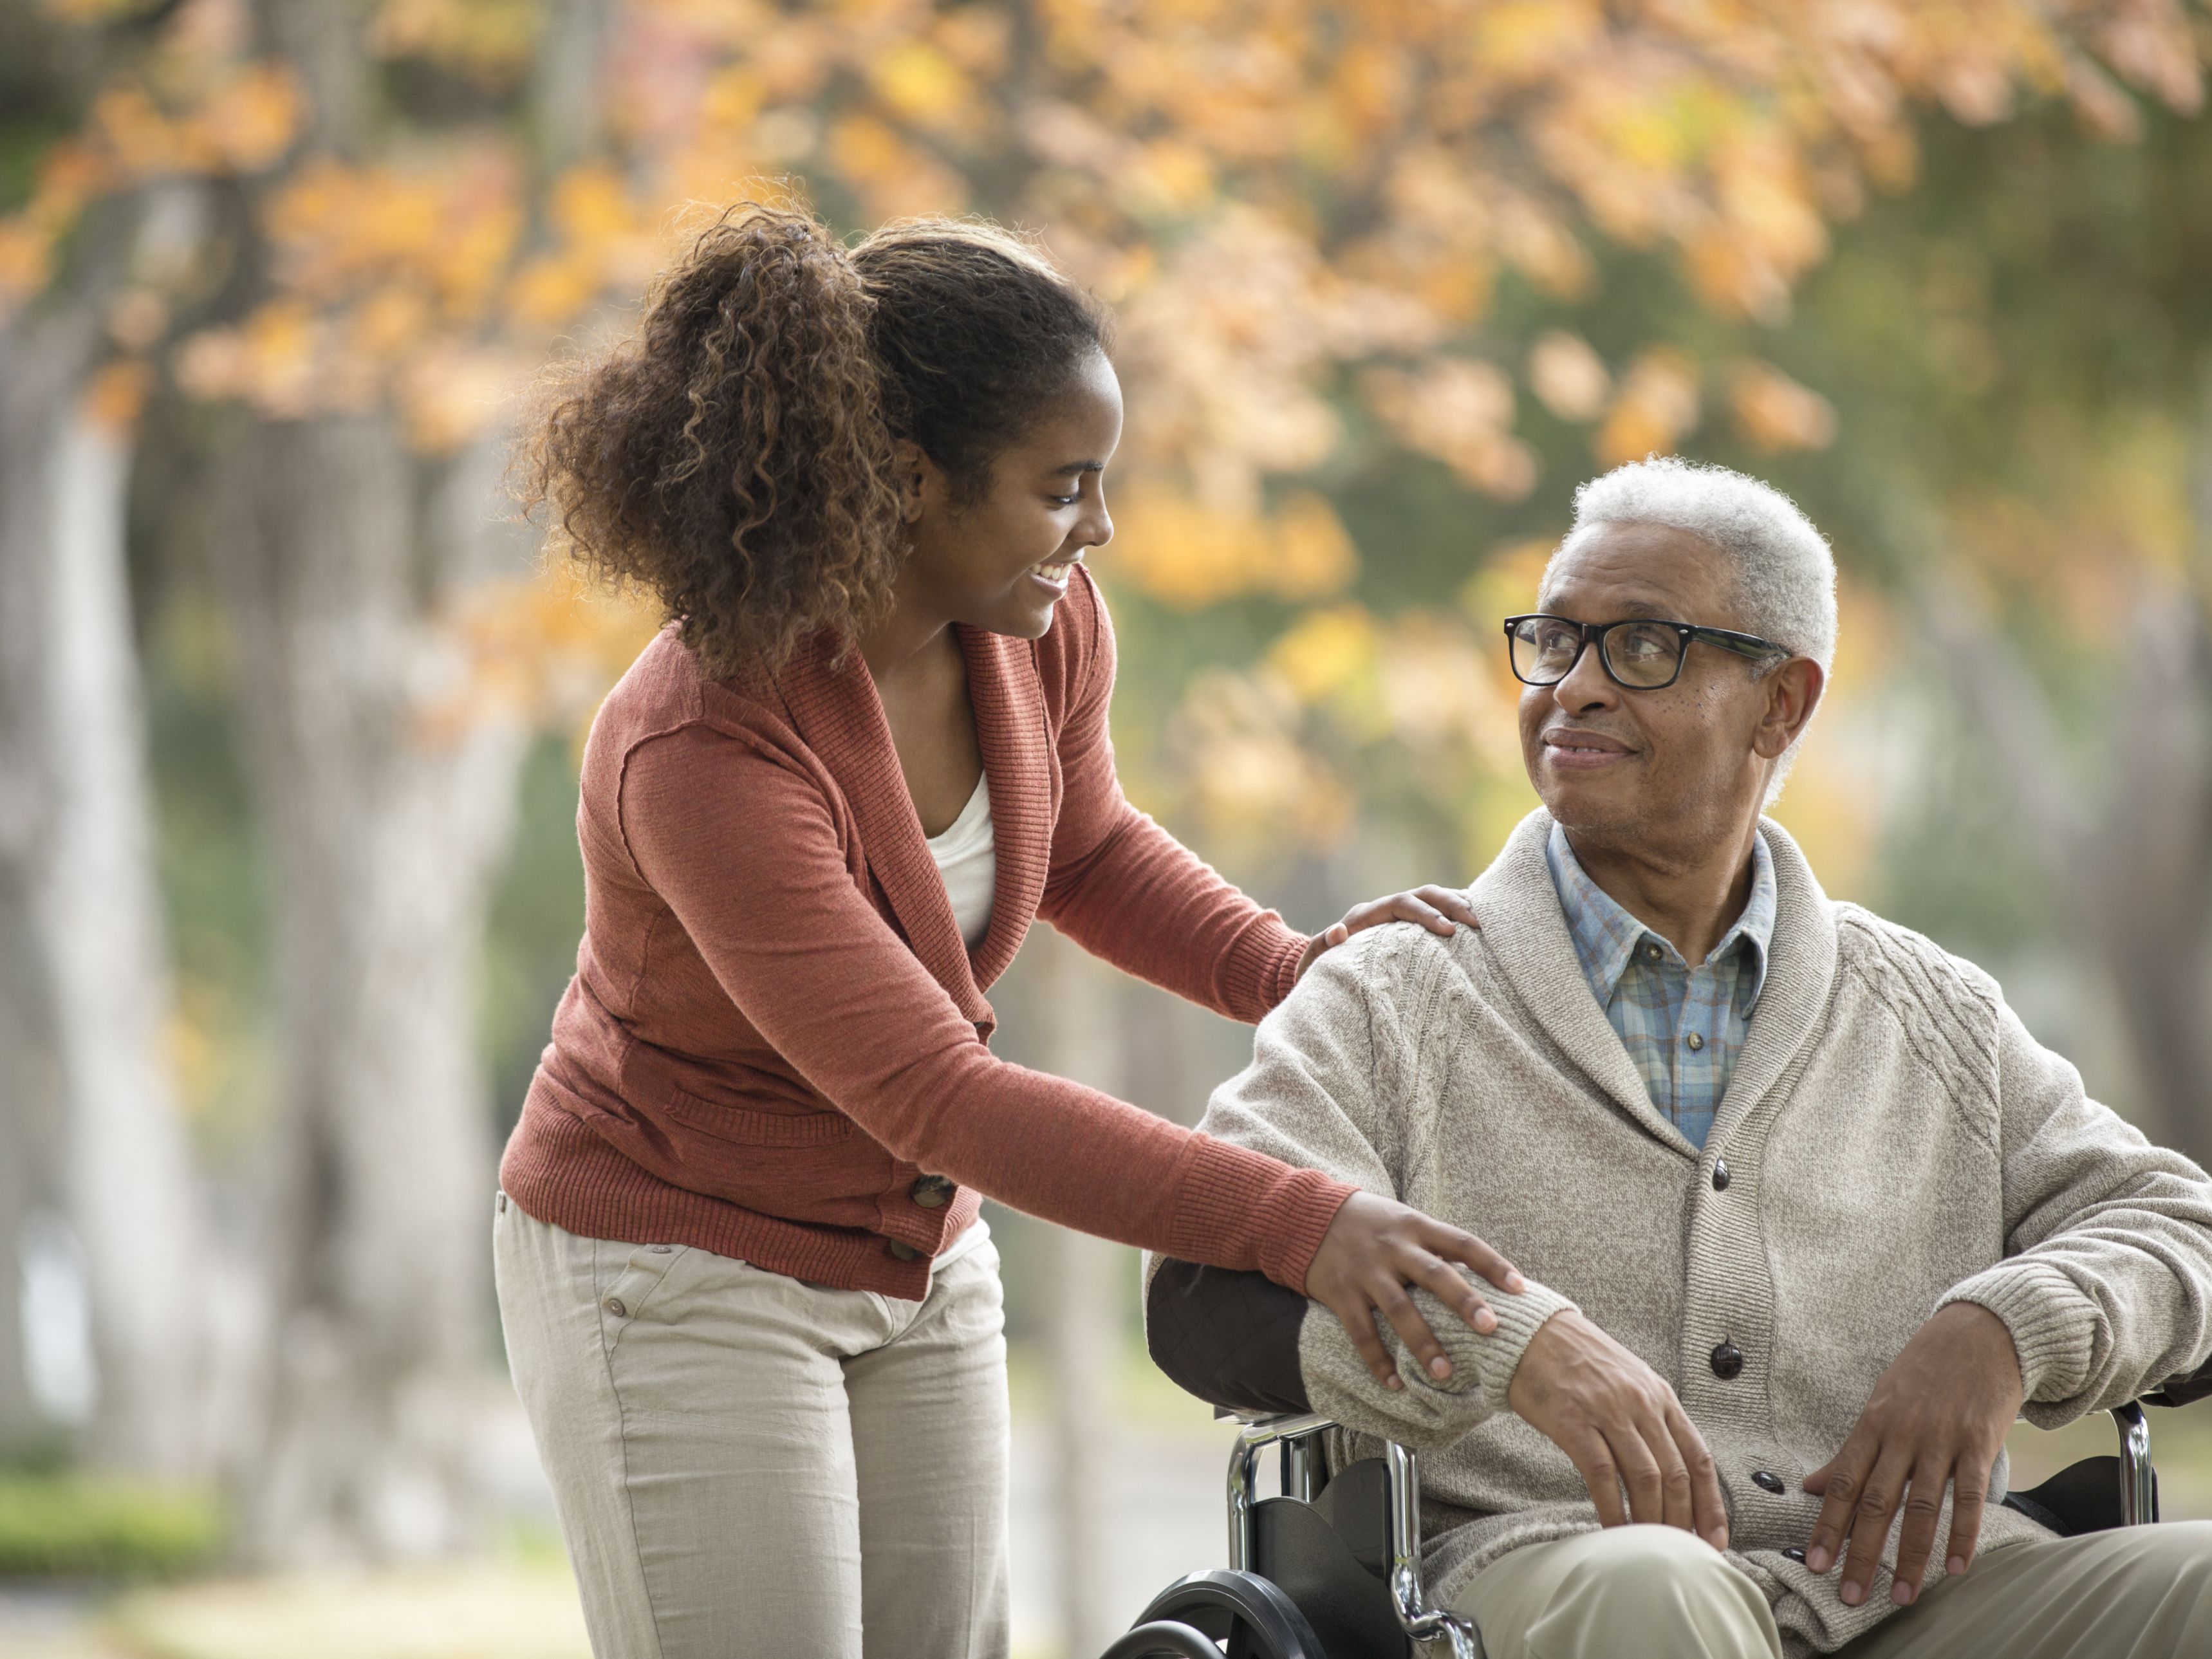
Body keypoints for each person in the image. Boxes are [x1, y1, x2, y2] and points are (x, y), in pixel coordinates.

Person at [490, 203, 1524, 1659]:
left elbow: (1087, 846)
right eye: (1063, 487)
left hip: (914, 1247)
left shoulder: (1039, 622)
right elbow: (936, 1092)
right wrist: (1301, 1221)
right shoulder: (705, 746)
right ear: (911, 481)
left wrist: (1296, 970)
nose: (1096, 528)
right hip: (679, 1262)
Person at [1146, 456, 2212, 1659]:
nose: (1574, 689)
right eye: (1555, 641)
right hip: (1544, 1577)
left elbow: (2183, 1227)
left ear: (1781, 704)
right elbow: (1204, 1290)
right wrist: (1510, 1348)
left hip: (1908, 1591)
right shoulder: (1390, 996)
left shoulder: (1934, 1014)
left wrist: (2012, 1325)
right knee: (1659, 1589)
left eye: (1642, 646)